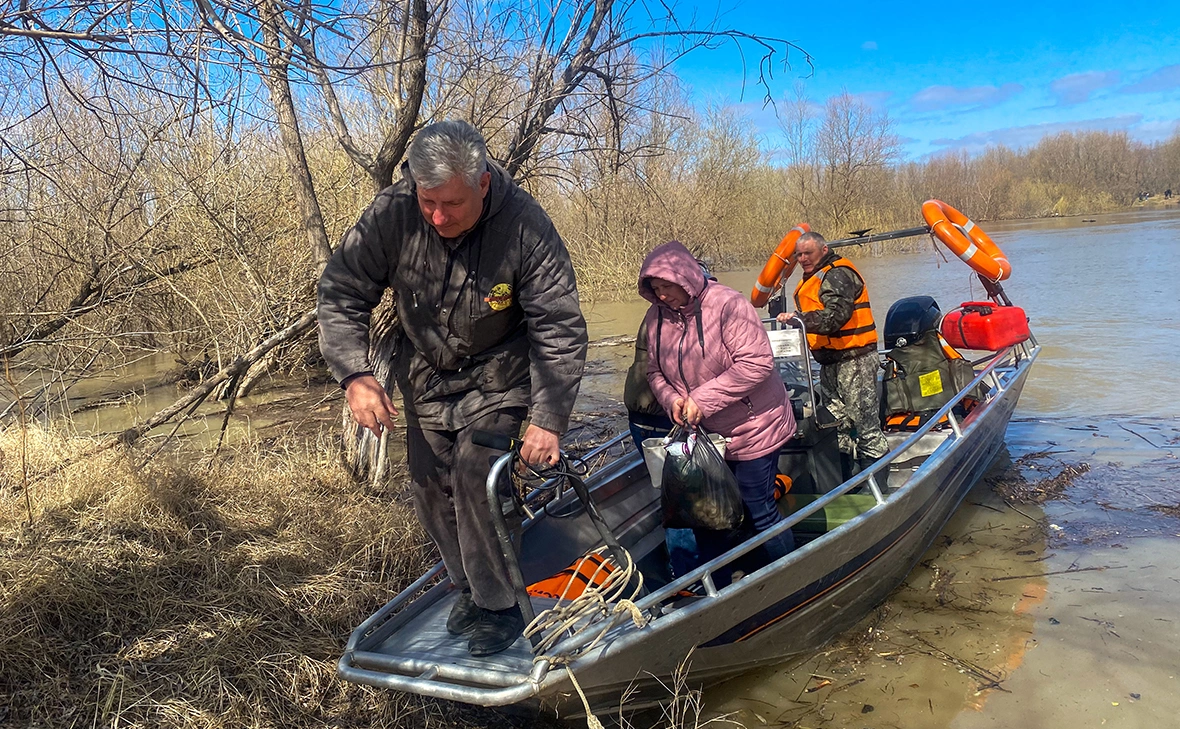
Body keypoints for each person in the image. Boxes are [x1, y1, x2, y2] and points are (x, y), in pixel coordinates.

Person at [317, 120, 588, 657]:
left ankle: (499, 604)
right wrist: (355, 374)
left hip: (500, 374)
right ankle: (469, 587)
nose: (438, 217)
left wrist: (548, 419)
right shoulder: (390, 215)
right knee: (426, 486)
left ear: (483, 182)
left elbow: (558, 326)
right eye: (428, 201)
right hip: (425, 374)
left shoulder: (525, 225)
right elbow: (341, 292)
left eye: (453, 205)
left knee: (474, 476)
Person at [639, 240, 797, 583]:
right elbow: (653, 371)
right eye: (656, 289)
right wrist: (672, 400)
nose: (663, 296)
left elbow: (757, 363)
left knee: (758, 509)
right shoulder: (656, 319)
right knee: (708, 515)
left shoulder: (729, 305)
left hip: (755, 426)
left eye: (668, 287)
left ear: (686, 279)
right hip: (706, 437)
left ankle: (788, 577)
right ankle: (721, 586)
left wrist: (702, 398)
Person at [775, 231, 888, 484]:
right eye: (799, 254)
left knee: (865, 425)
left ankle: (877, 487)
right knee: (835, 424)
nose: (803, 258)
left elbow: (836, 316)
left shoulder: (837, 274)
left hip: (854, 360)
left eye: (808, 253)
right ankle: (844, 481)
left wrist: (800, 320)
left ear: (824, 250)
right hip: (829, 363)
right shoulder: (813, 277)